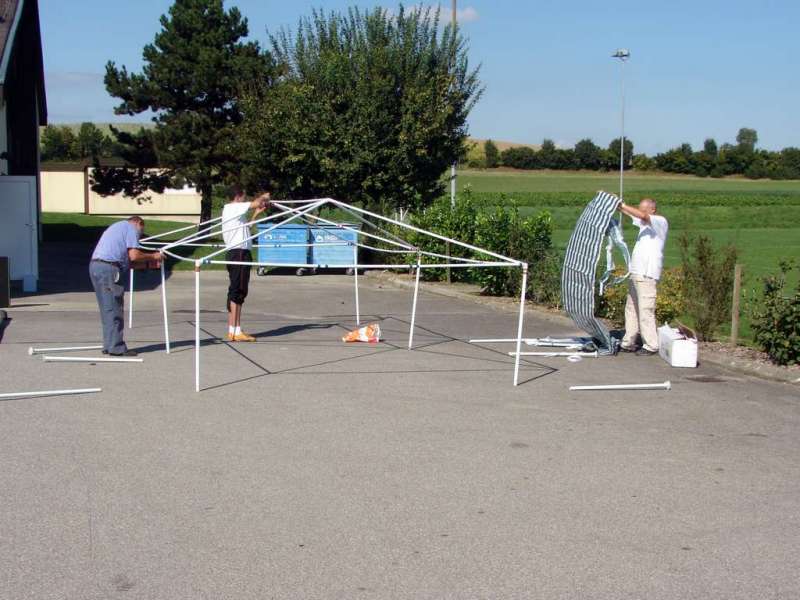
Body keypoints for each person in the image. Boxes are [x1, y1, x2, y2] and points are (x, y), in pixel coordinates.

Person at [89, 216, 162, 356]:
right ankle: (116, 347)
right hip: (109, 268)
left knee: (107, 308)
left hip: (96, 266)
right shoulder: (130, 229)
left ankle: (108, 344)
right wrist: (154, 256)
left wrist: (148, 264)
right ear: (138, 223)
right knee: (114, 307)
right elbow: (134, 255)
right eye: (141, 231)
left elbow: (130, 262)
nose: (139, 235)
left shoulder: (118, 227)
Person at [618, 198, 669, 355]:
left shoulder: (660, 222)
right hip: (636, 273)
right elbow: (631, 215)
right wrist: (618, 205)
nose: (641, 213)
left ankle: (651, 345)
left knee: (645, 309)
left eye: (644, 209)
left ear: (652, 210)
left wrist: (625, 205)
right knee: (631, 308)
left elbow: (642, 216)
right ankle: (628, 341)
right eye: (640, 209)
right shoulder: (643, 225)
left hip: (647, 274)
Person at [221, 185, 271, 342]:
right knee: (238, 291)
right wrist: (265, 197)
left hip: (237, 253)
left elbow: (244, 229)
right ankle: (235, 331)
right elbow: (257, 202)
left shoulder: (235, 213)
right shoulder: (233, 207)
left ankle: (233, 329)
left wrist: (255, 215)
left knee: (236, 290)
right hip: (239, 254)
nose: (245, 198)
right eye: (244, 196)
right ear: (239, 196)